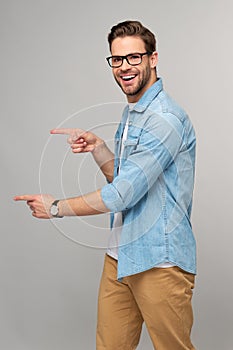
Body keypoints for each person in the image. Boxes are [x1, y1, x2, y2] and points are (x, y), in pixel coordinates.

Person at [14, 20, 197, 350]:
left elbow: (120, 194)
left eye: (134, 58)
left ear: (153, 58)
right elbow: (124, 181)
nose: (124, 67)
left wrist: (55, 208)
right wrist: (99, 149)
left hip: (159, 262)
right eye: (117, 59)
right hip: (120, 256)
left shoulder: (165, 119)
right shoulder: (133, 114)